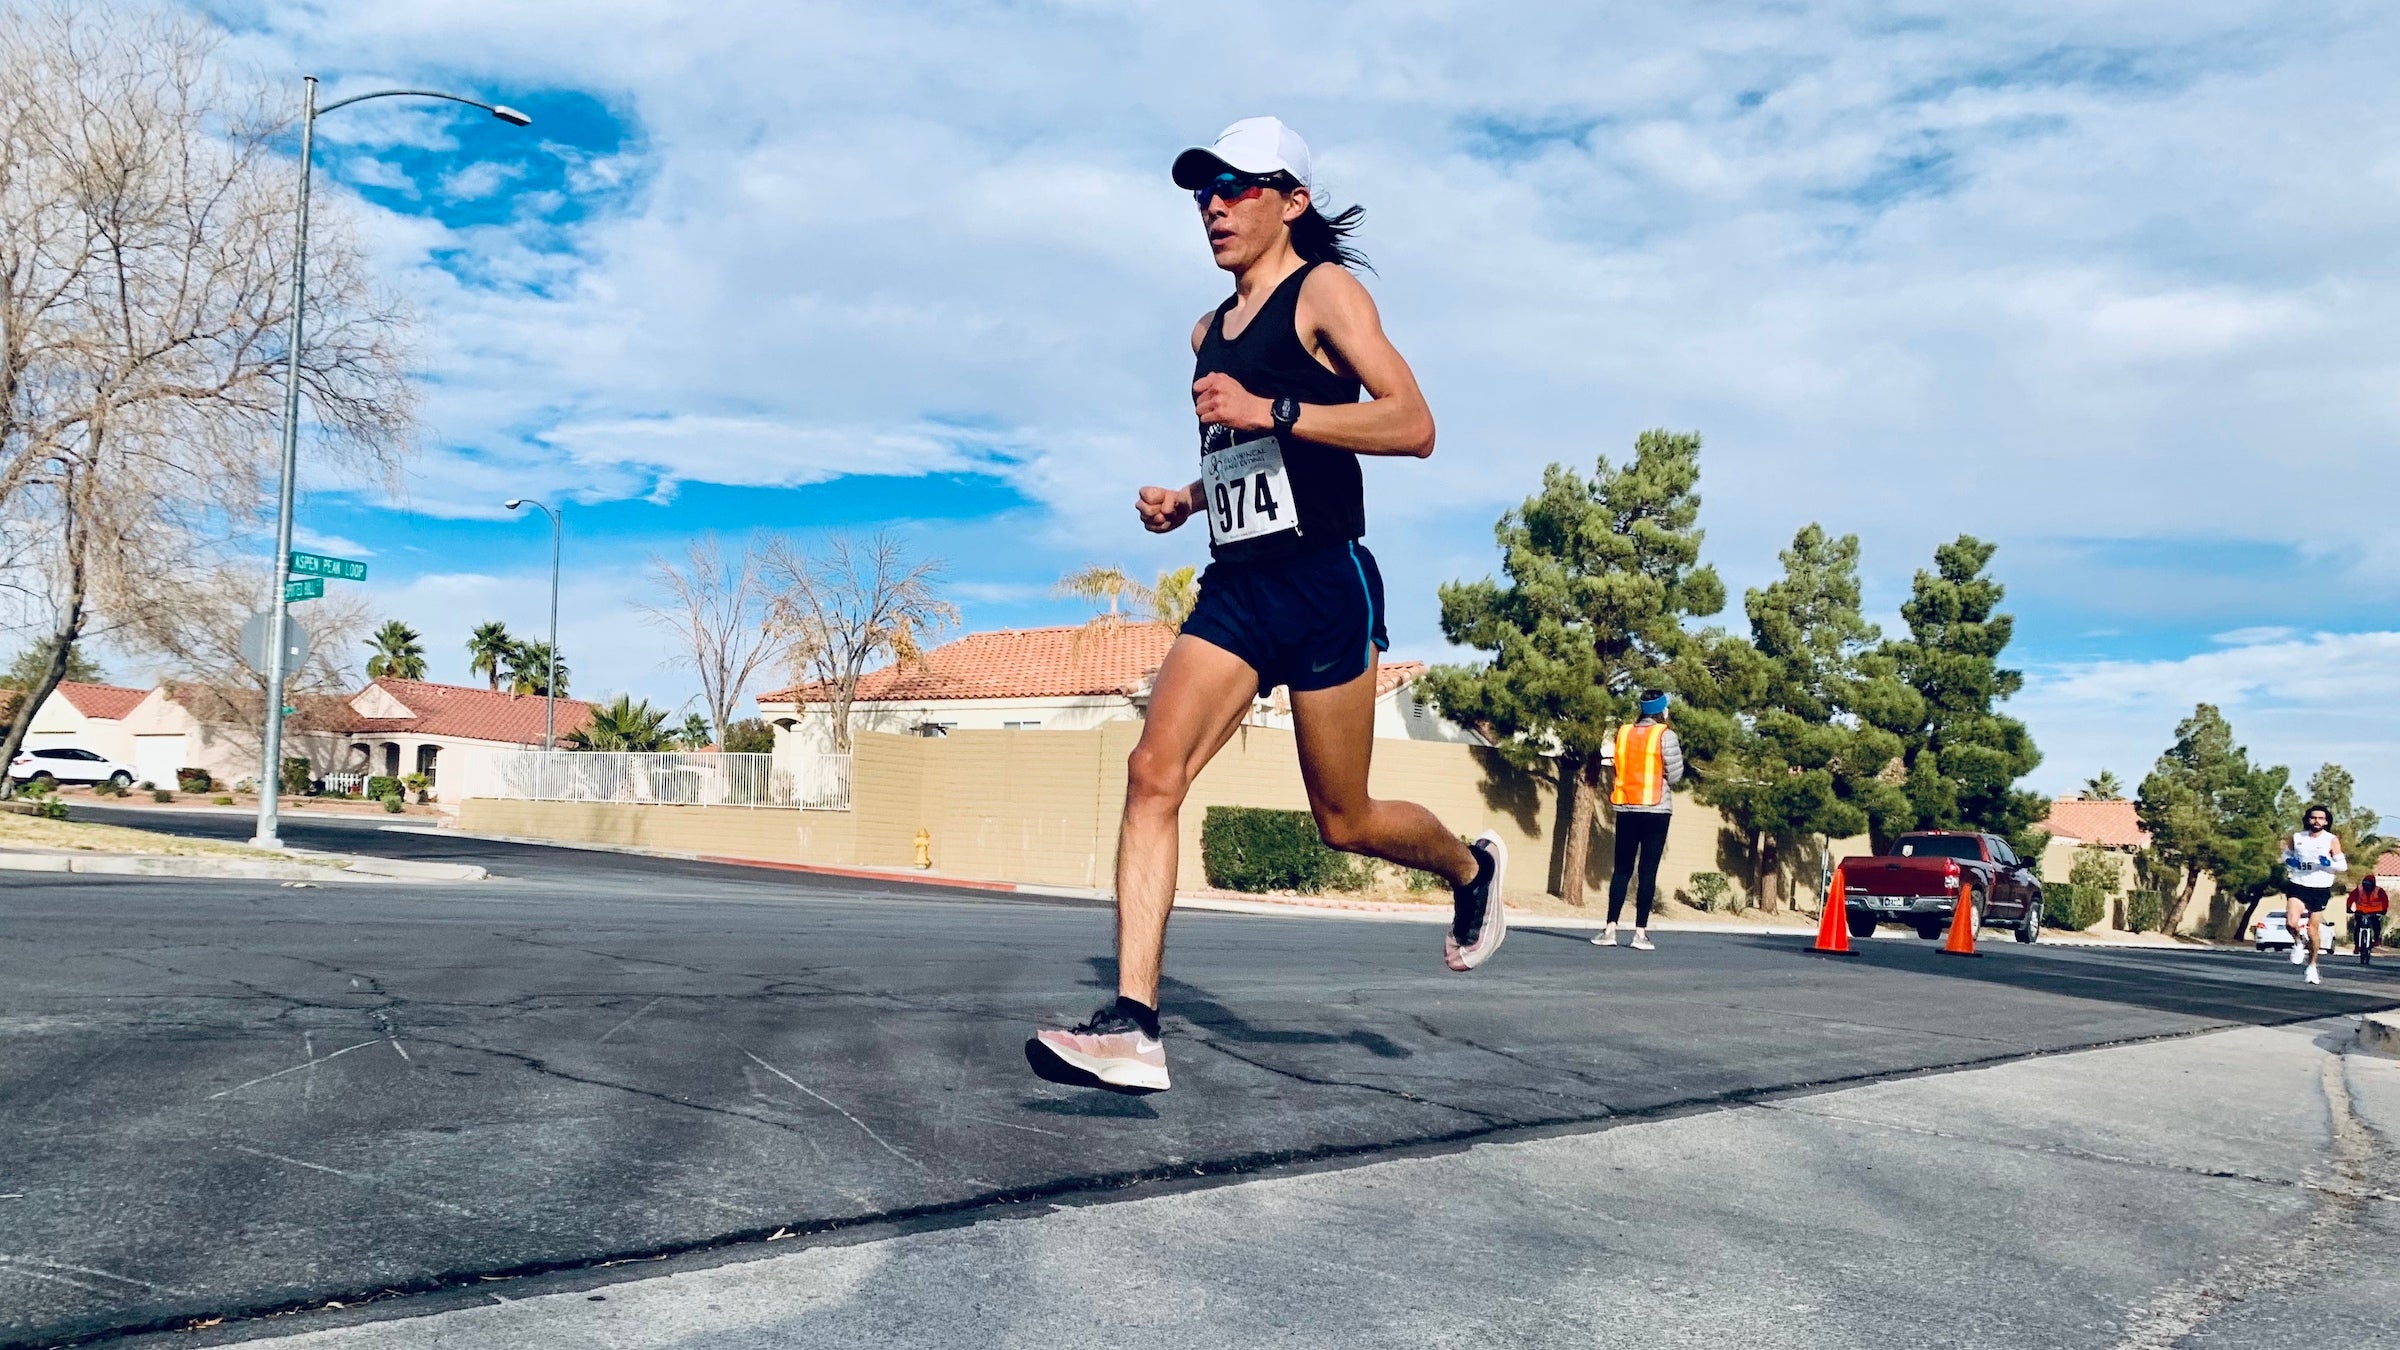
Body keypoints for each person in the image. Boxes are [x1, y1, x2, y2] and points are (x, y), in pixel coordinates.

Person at [1026, 117, 1507, 1094]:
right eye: (1205, 188)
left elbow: (1414, 425)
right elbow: (1256, 463)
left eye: (1237, 186)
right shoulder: (1205, 333)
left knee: (1345, 818)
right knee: (1153, 770)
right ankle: (1133, 1025)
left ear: (1290, 200)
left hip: (1325, 583)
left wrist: (1273, 409)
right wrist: (1192, 497)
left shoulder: (1325, 292)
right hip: (1239, 587)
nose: (1214, 205)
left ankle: (1470, 871)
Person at [1593, 691, 1683, 950]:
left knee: (1621, 869)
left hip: (1626, 806)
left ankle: (1609, 929)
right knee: (1647, 871)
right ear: (1662, 711)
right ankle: (1640, 934)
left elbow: (1619, 767)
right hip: (1656, 808)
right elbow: (1675, 775)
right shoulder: (1665, 735)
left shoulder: (1623, 733)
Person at [2283, 803, 2346, 986]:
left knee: (2312, 929)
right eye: (2313, 817)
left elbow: (2342, 866)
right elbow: (2285, 856)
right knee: (2290, 923)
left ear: (2326, 822)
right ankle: (2298, 943)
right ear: (2308, 819)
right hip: (2299, 884)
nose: (2316, 821)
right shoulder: (2297, 837)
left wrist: (2328, 864)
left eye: (2320, 818)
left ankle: (2311, 966)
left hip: (2320, 888)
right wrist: (2291, 863)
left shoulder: (2331, 840)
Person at [2348, 874, 2387, 959]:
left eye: (2368, 885)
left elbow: (2385, 900)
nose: (2366, 886)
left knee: (2376, 925)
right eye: (2365, 884)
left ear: (2373, 884)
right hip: (2361, 911)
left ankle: (2376, 939)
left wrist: (2384, 910)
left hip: (2375, 912)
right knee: (2357, 927)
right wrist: (2348, 907)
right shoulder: (2359, 889)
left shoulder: (2379, 891)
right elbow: (2351, 898)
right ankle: (2357, 946)